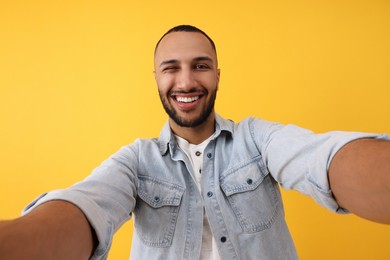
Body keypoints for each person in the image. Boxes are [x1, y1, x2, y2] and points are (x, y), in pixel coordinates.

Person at [0, 25, 390, 260]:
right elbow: (86, 207)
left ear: (217, 75)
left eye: (200, 66)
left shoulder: (257, 140)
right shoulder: (136, 161)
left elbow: (319, 159)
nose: (186, 82)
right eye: (172, 68)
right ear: (156, 77)